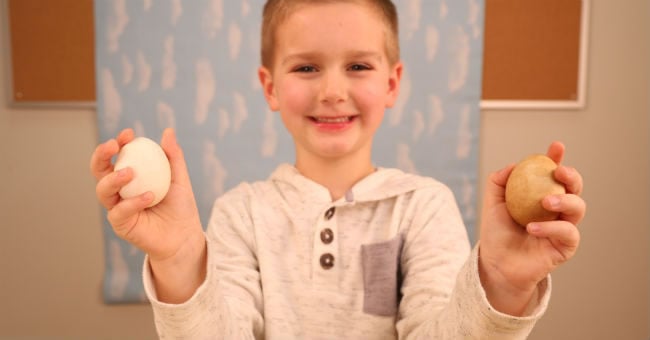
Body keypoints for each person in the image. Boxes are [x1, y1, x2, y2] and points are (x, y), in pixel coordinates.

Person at [90, 0, 586, 338]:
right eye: (306, 67)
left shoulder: (422, 207)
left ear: (392, 84)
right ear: (270, 87)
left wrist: (501, 283)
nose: (331, 91)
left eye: (358, 67)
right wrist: (178, 258)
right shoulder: (242, 213)